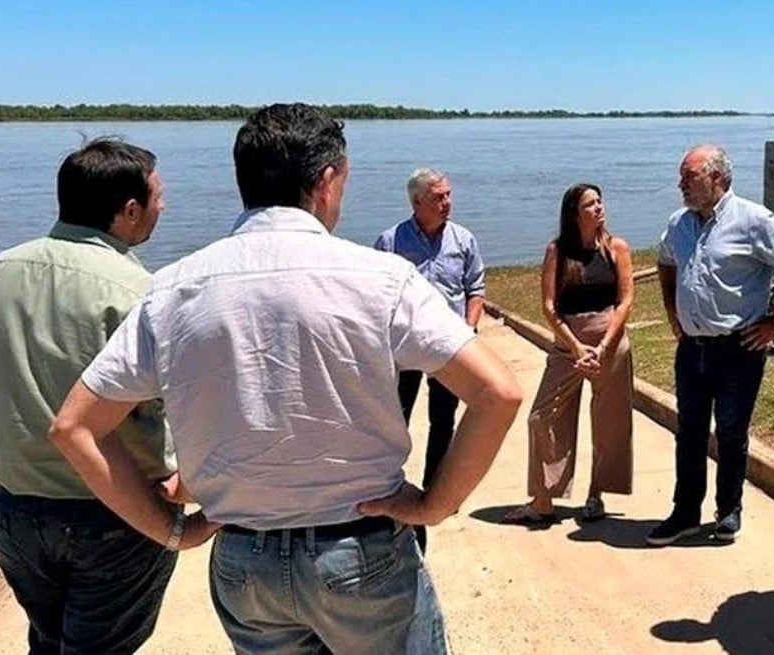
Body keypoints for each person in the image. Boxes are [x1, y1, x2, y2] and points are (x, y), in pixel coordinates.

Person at [48, 103, 523, 655]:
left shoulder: (174, 288)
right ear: (325, 182)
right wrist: (433, 506)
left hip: (245, 564)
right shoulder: (381, 278)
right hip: (360, 549)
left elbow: (73, 427)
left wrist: (169, 531)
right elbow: (498, 392)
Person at [0, 139, 177, 654]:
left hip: (17, 508)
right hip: (114, 514)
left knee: (48, 640)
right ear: (129, 211)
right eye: (159, 196)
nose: (163, 207)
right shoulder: (141, 292)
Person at [648, 145, 774, 546]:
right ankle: (685, 513)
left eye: (689, 178)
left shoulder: (753, 221)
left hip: (738, 349)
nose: (681, 186)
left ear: (718, 179)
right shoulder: (679, 223)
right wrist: (672, 311)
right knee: (689, 432)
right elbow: (665, 260)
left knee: (731, 433)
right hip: (692, 348)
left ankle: (728, 511)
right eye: (681, 178)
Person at [502, 183, 635, 525]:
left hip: (611, 343)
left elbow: (625, 301)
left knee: (608, 421)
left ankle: (596, 494)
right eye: (591, 204)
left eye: (600, 201)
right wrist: (575, 346)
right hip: (569, 345)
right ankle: (543, 500)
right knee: (542, 416)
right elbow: (549, 306)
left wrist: (603, 346)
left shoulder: (617, 247)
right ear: (575, 214)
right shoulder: (558, 251)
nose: (599, 207)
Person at [374, 168, 486, 550]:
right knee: (395, 418)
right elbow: (376, 296)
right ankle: (390, 484)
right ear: (417, 202)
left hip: (447, 348)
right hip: (403, 350)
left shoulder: (463, 239)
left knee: (444, 420)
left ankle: (436, 490)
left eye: (449, 194)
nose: (447, 202)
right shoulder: (390, 241)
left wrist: (467, 331)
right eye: (438, 197)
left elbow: (476, 289)